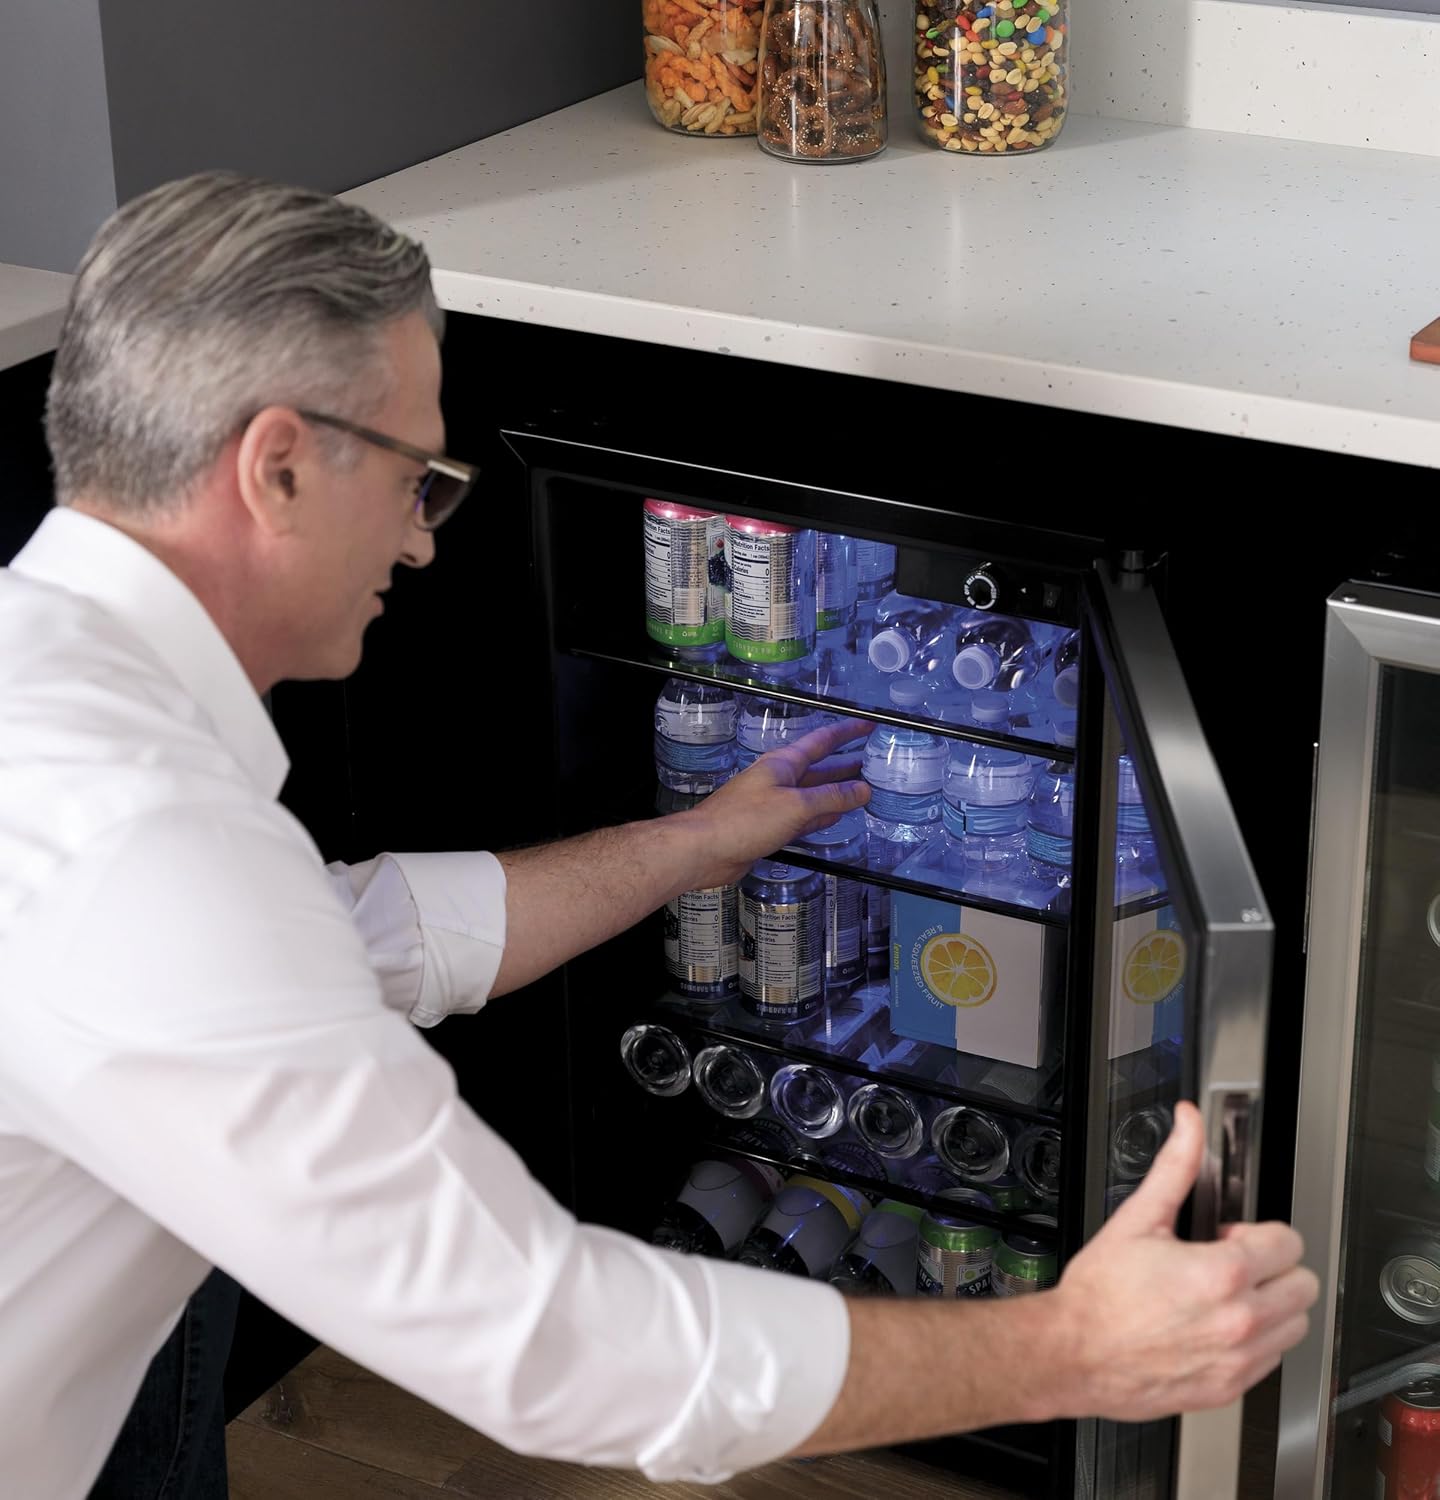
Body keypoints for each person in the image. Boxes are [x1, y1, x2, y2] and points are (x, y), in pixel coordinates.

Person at [0, 172, 1318, 1500]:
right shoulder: (147, 847)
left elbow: (369, 937)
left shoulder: (56, 697)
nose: (421, 546)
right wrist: (1072, 1347)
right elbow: (548, 1343)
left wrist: (701, 845)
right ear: (277, 465)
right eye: (418, 480)